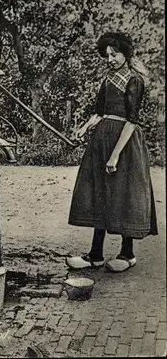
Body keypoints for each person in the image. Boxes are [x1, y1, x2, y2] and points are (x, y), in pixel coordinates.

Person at [66, 31, 158, 273]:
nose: (110, 59)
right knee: (100, 193)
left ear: (125, 54)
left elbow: (132, 120)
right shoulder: (108, 79)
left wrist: (115, 154)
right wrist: (83, 128)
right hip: (102, 140)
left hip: (124, 144)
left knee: (123, 195)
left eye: (115, 54)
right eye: (107, 55)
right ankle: (95, 254)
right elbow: (99, 112)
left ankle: (127, 254)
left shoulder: (134, 80)